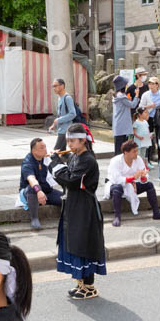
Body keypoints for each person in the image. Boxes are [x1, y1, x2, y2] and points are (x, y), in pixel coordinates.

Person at [49, 123, 105, 299]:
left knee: (83, 243)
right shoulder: (74, 157)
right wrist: (58, 164)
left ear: (83, 140)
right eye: (68, 141)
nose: (70, 144)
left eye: (73, 141)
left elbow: (72, 181)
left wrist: (56, 164)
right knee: (73, 241)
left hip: (85, 207)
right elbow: (66, 180)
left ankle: (89, 286)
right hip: (73, 204)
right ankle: (80, 283)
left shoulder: (88, 160)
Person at [101, 139, 160, 227]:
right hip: (114, 185)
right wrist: (133, 178)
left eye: (137, 150)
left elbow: (143, 178)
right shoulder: (115, 161)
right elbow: (117, 179)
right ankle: (117, 216)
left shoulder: (138, 159)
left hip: (132, 185)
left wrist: (143, 177)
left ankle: (156, 213)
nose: (137, 153)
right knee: (117, 188)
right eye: (134, 151)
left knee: (149, 185)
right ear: (126, 152)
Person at [16, 137, 62, 230]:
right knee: (33, 188)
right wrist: (39, 191)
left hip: (46, 191)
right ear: (34, 150)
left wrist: (56, 159)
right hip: (30, 192)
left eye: (45, 147)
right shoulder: (28, 161)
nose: (45, 149)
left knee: (66, 198)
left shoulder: (46, 158)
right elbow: (31, 179)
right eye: (41, 147)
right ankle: (34, 218)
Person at [112, 74, 140, 153]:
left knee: (119, 148)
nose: (127, 85)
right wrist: (137, 95)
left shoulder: (118, 95)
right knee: (121, 150)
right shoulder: (122, 97)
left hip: (119, 126)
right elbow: (133, 105)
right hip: (122, 126)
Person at [139, 77, 160, 163]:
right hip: (148, 118)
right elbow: (140, 107)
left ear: (157, 85)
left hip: (159, 118)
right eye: (150, 83)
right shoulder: (146, 94)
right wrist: (149, 106)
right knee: (147, 138)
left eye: (153, 83)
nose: (151, 85)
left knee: (159, 138)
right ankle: (147, 159)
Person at [49, 78, 77, 152]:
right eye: (53, 86)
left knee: (56, 152)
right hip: (61, 130)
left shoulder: (67, 98)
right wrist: (54, 125)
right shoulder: (59, 98)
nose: (54, 88)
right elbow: (60, 115)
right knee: (62, 152)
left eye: (55, 86)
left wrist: (59, 120)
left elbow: (73, 114)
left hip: (66, 130)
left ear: (62, 86)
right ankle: (69, 162)